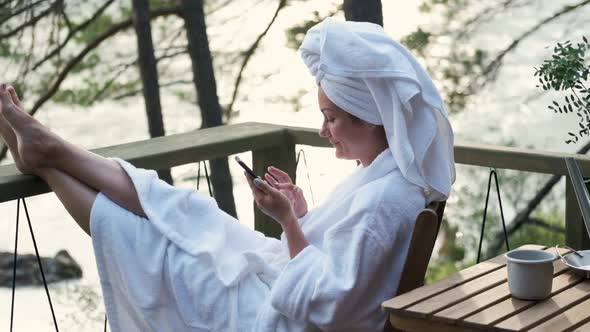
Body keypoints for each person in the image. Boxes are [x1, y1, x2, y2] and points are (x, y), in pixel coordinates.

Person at [0, 18, 455, 332]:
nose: (322, 130)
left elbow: (331, 305)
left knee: (158, 251)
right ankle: (52, 151)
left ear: (371, 117)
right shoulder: (391, 175)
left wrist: (290, 224)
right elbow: (349, 265)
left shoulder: (384, 198)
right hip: (279, 288)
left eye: (332, 118)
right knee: (190, 211)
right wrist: (300, 212)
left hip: (272, 319)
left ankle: (46, 162)